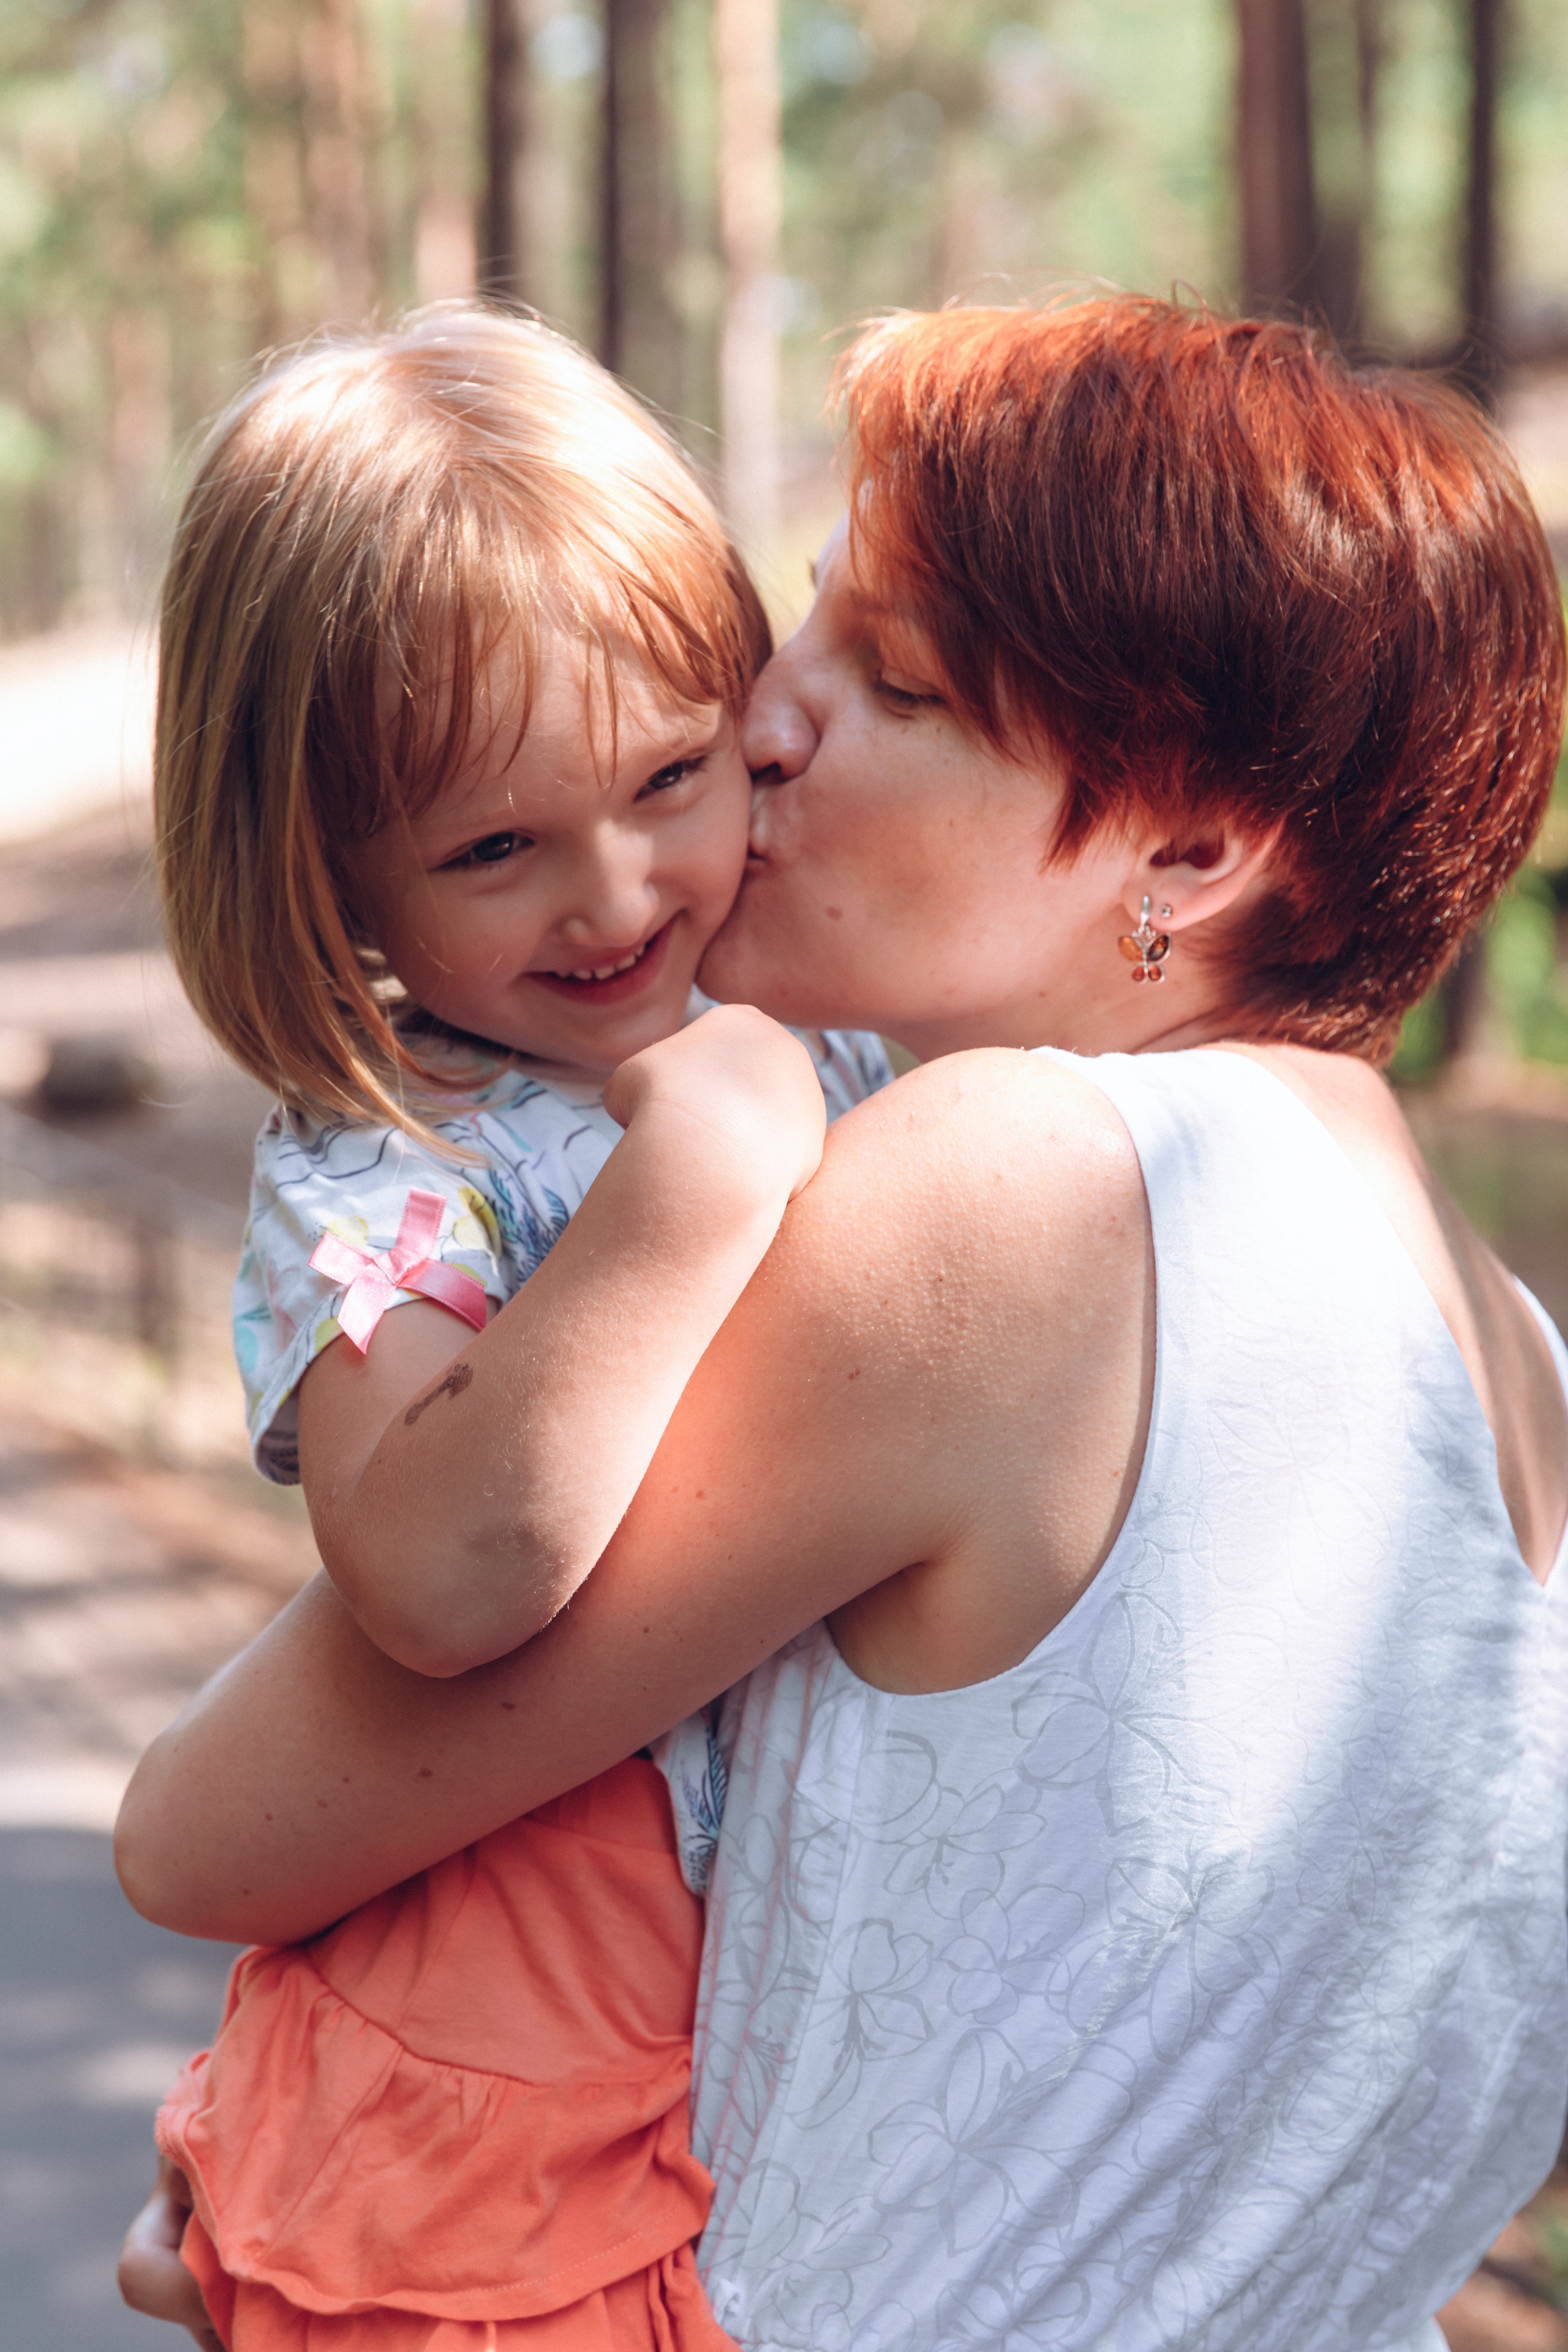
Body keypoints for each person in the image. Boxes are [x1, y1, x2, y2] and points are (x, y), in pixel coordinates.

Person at [119, 297, 1568, 2352]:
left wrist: (319, 2203)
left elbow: (206, 1826)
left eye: (893, 680)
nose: (773, 719)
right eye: (803, 627)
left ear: (1184, 844)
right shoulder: (1514, 1366)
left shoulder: (1018, 1190)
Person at [124, 303, 891, 2352]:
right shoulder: (389, 1158)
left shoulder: (842, 1008)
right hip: (509, 2021)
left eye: (672, 773)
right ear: (330, 875)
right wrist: (699, 1178)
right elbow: (445, 1575)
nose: (622, 891)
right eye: (492, 846)